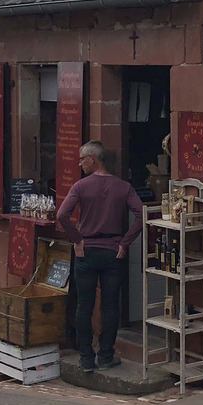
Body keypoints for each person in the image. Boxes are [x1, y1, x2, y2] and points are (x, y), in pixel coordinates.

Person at [55, 141, 143, 371]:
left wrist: (77, 239)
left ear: (93, 159)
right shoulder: (123, 187)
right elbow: (142, 214)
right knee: (110, 305)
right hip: (113, 250)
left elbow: (63, 214)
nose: (80, 163)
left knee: (84, 304)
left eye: (82, 159)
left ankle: (86, 358)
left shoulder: (81, 187)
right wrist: (126, 242)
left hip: (87, 250)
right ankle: (105, 355)